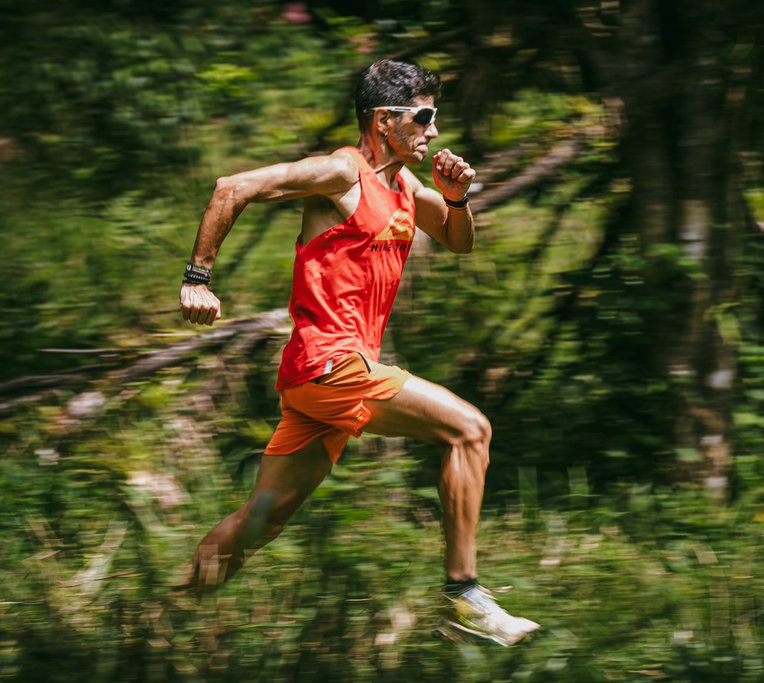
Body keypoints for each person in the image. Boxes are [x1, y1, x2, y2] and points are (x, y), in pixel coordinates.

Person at [176, 59, 539, 647]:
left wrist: (457, 199)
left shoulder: (404, 187)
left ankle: (163, 623)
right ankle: (463, 596)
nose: (434, 131)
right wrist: (198, 278)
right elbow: (232, 188)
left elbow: (458, 241)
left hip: (318, 381)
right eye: (423, 117)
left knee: (261, 519)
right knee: (470, 430)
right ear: (384, 120)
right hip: (331, 363)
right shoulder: (343, 172)